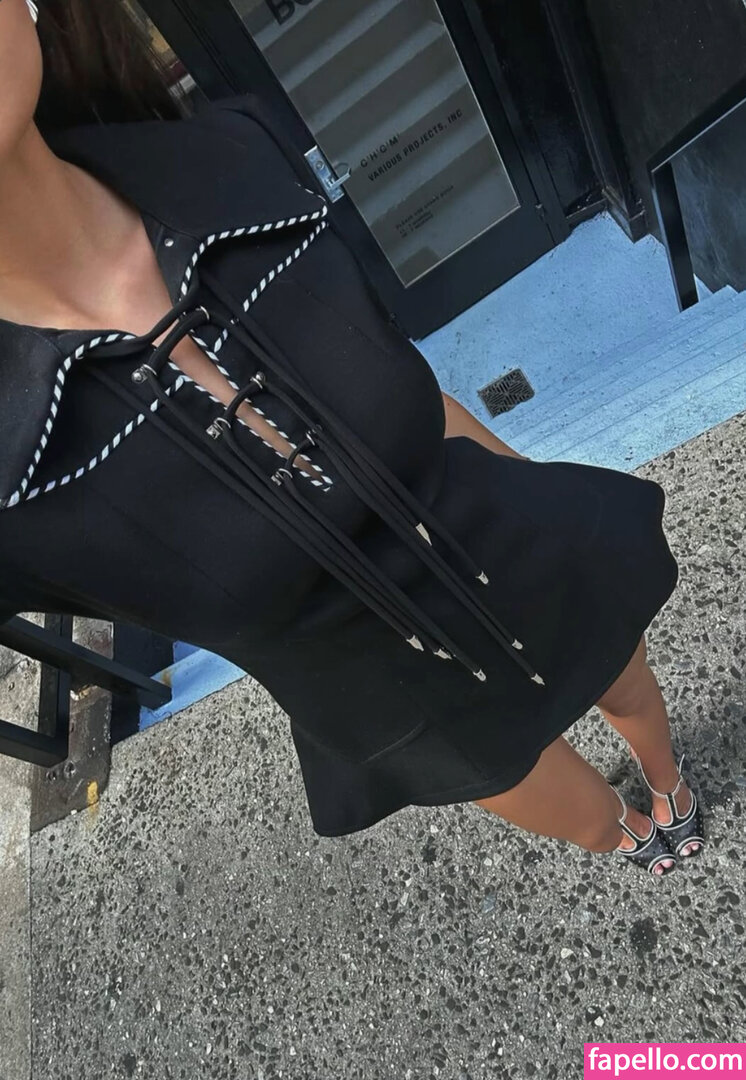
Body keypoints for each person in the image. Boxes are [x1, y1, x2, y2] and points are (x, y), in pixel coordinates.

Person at [0, 0, 704, 875]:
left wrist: (545, 500)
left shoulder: (237, 163)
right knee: (583, 820)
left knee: (628, 682)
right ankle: (628, 832)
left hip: (505, 537)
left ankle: (670, 786)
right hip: (399, 705)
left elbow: (410, 391)